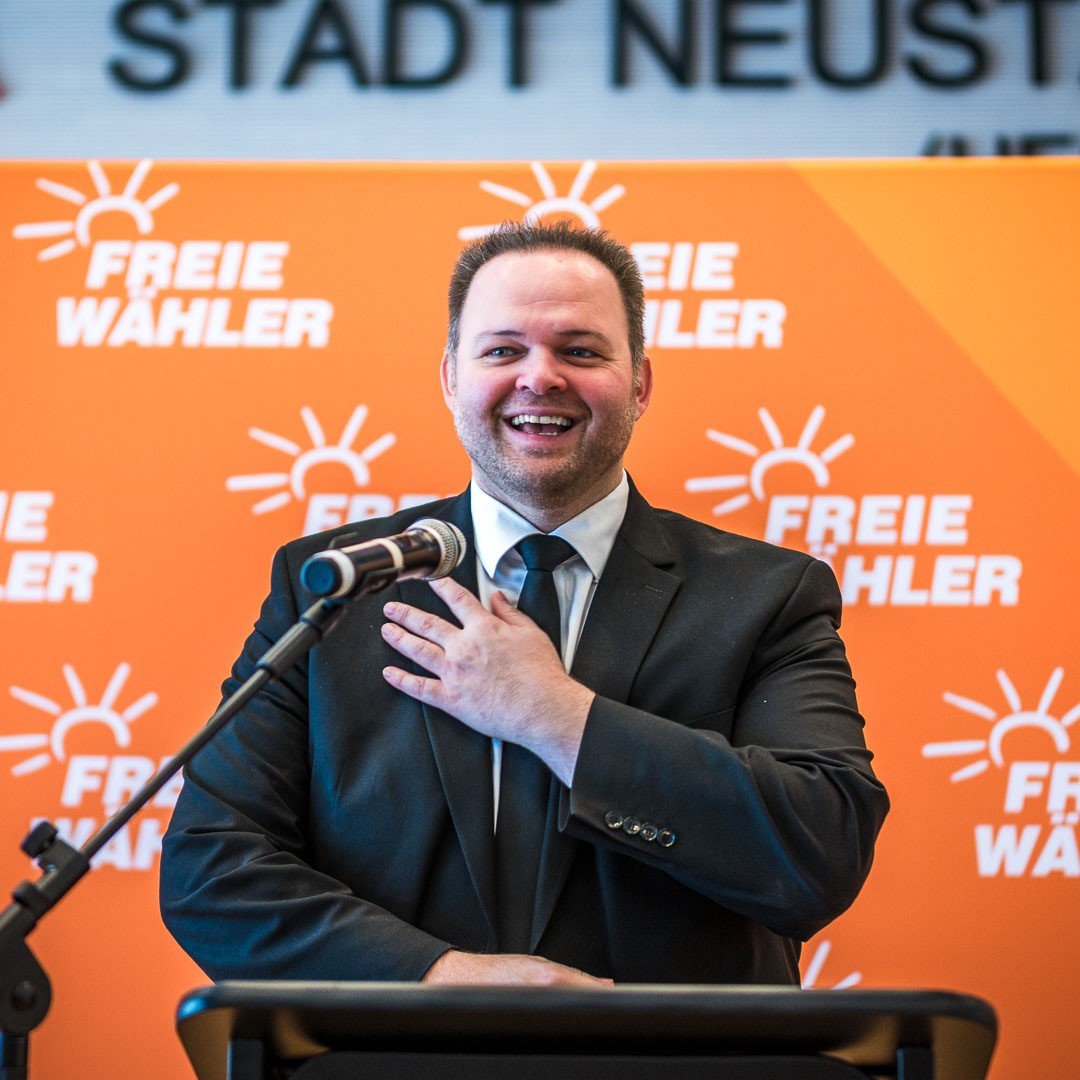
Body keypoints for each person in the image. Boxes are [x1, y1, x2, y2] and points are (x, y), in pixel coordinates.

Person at [160, 223, 888, 987]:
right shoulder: (336, 584)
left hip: (671, 1049)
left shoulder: (766, 595)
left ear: (640, 384)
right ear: (451, 378)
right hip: (395, 1048)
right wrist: (442, 980)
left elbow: (820, 854)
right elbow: (214, 868)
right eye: (503, 350)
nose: (540, 377)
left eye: (581, 351)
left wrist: (557, 716)